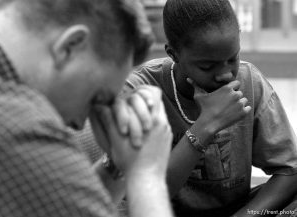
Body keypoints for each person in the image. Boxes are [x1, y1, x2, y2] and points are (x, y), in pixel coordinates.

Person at [0, 1, 175, 217]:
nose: (80, 123)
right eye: (95, 97)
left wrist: (117, 165)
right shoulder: (22, 126)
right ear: (71, 46)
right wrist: (146, 173)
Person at [121, 0, 297, 216]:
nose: (226, 74)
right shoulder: (141, 89)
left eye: (233, 59)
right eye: (207, 66)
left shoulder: (249, 81)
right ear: (173, 54)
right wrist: (206, 125)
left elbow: (290, 171)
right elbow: (143, 194)